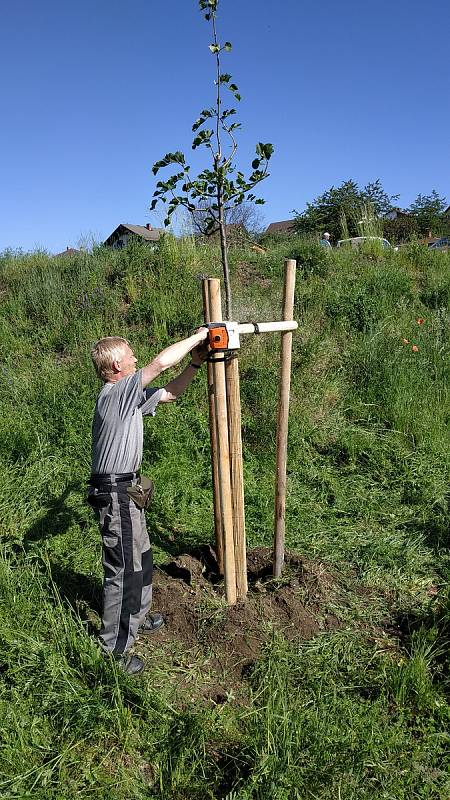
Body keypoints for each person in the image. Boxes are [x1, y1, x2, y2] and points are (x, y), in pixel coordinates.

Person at [88, 328, 208, 675]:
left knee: (141, 556)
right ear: (115, 366)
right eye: (130, 356)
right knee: (123, 570)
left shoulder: (129, 398)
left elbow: (169, 392)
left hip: (128, 490)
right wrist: (197, 338)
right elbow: (159, 364)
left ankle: (137, 618)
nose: (136, 359)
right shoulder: (114, 394)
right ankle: (114, 650)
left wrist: (195, 366)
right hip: (115, 494)